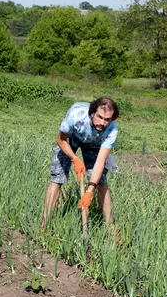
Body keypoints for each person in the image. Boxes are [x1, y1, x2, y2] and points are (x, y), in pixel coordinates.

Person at [42, 97, 119, 228]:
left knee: (101, 182)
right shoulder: (75, 116)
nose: (102, 123)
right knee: (57, 178)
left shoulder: (112, 130)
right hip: (70, 139)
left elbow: (100, 161)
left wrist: (89, 191)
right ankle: (44, 224)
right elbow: (61, 140)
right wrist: (75, 159)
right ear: (92, 113)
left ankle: (111, 228)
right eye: (99, 117)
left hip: (94, 142)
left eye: (107, 119)